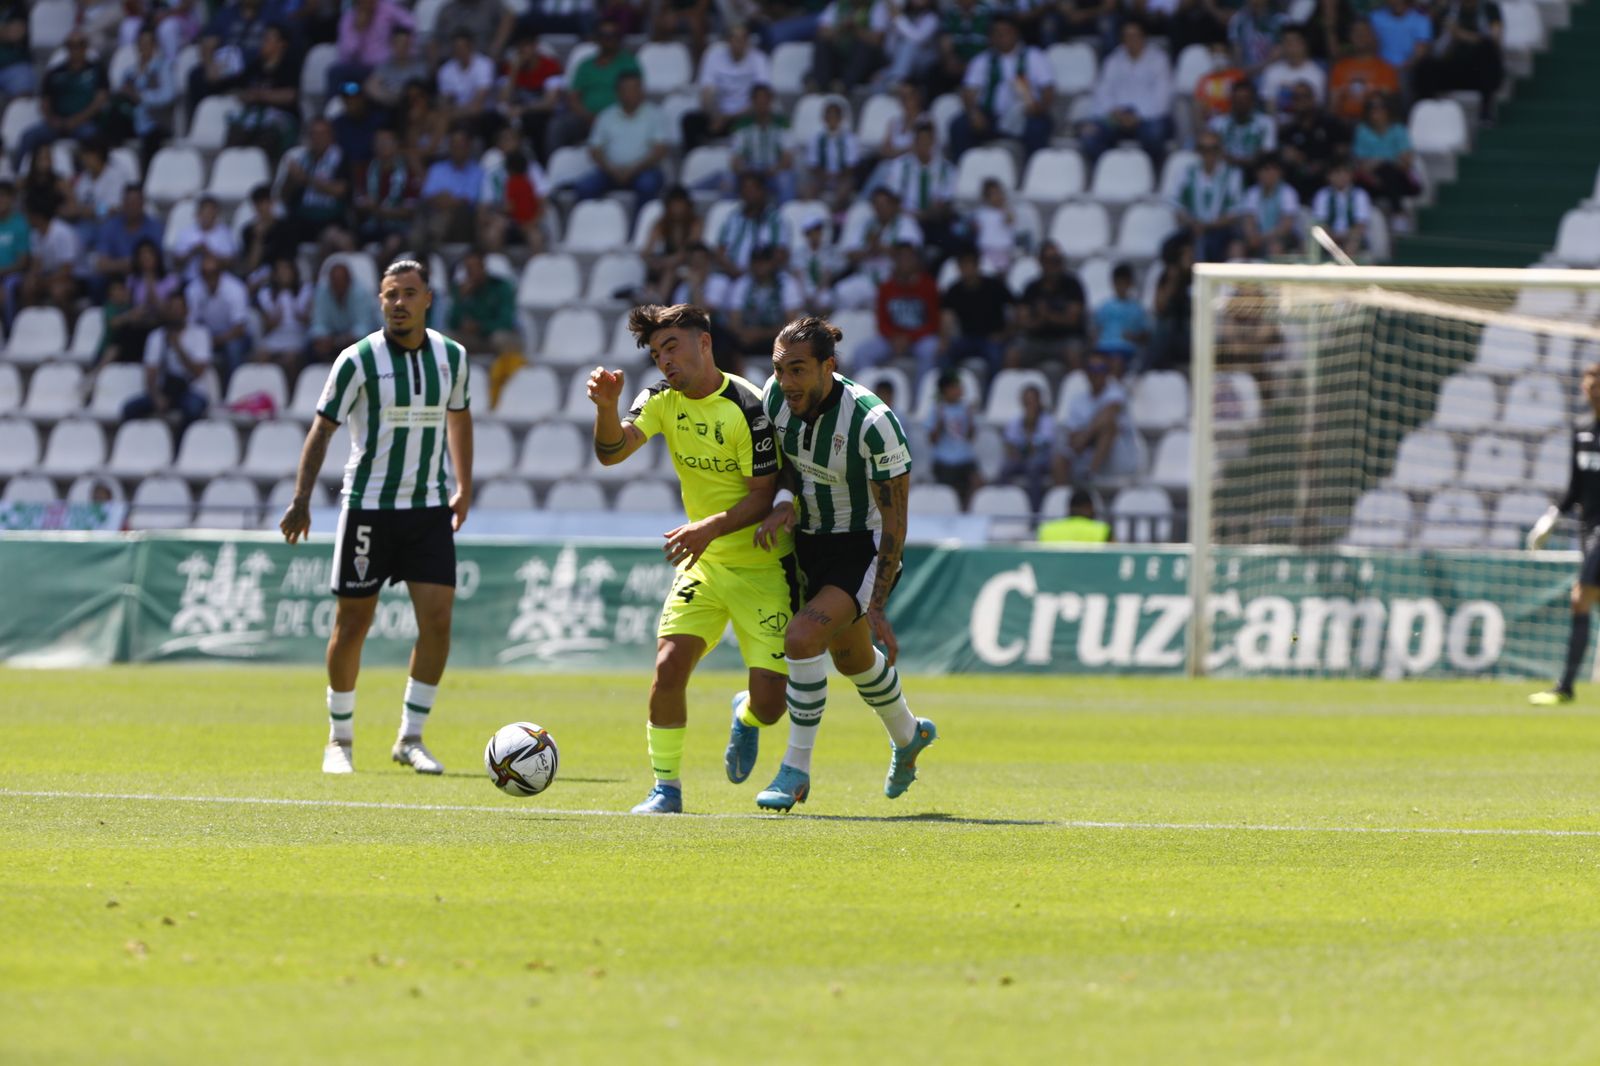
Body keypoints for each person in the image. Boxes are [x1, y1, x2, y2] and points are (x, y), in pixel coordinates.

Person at [584, 303, 796, 814]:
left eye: (672, 347)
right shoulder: (659, 399)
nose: (664, 361)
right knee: (668, 666)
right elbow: (612, 453)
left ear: (704, 342)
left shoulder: (747, 406)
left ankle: (744, 716)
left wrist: (708, 527)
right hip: (704, 562)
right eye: (657, 354)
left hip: (764, 564)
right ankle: (665, 789)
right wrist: (606, 408)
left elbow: (763, 495)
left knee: (771, 706)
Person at [279, 259, 474, 777]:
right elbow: (321, 430)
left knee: (437, 624)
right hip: (368, 509)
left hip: (429, 509)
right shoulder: (357, 360)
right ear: (380, 301)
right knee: (352, 625)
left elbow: (460, 418)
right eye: (391, 294)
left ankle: (411, 737)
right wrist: (301, 499)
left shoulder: (452, 357)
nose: (399, 303)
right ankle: (339, 740)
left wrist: (465, 485)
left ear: (428, 298)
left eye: (409, 293)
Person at [752, 316, 936, 811]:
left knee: (802, 637)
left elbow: (896, 521)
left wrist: (877, 604)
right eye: (779, 369)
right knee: (850, 659)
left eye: (797, 370)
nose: (786, 382)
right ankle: (909, 735)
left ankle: (796, 770)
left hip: (862, 545)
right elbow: (785, 462)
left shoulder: (873, 424)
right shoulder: (774, 398)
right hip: (807, 537)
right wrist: (787, 498)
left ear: (827, 367)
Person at [1528, 363, 1600, 705]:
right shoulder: (1582, 429)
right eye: (1589, 381)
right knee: (1588, 600)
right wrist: (1554, 514)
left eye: (1598, 381)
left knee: (1580, 595)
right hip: (1588, 528)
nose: (1593, 387)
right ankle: (1567, 686)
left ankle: (1566, 686)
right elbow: (1575, 487)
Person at [951, 13, 1055, 161]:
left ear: (1016, 34)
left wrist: (1039, 108)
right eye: (997, 33)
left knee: (1038, 127)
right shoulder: (982, 60)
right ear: (991, 36)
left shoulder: (1034, 56)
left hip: (1024, 115)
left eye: (1006, 32)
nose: (1001, 37)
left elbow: (1048, 90)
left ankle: (1032, 173)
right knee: (960, 125)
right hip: (990, 117)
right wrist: (974, 113)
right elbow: (968, 91)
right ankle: (961, 169)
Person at [1079, 20, 1171, 165]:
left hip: (1147, 117)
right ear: (1122, 39)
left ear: (1143, 37)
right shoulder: (1113, 60)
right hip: (1116, 115)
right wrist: (1115, 112)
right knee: (1090, 135)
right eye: (1127, 36)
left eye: (1135, 36)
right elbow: (1103, 92)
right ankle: (1110, 171)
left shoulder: (1158, 59)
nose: (1131, 40)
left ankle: (1150, 173)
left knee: (1155, 133)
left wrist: (1137, 116)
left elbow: (1162, 98)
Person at [121, 290, 212, 433]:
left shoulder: (200, 334)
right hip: (164, 390)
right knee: (130, 409)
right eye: (171, 309)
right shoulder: (156, 336)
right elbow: (151, 372)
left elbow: (198, 371)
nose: (174, 312)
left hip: (192, 390)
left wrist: (178, 347)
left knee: (193, 409)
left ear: (186, 311)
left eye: (178, 308)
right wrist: (156, 396)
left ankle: (179, 449)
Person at [575, 71, 670, 205]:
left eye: (636, 88)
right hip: (610, 171)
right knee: (585, 187)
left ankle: (639, 225)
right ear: (618, 92)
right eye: (627, 89)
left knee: (648, 185)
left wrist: (633, 170)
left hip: (644, 170)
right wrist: (612, 170)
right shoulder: (606, 116)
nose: (632, 93)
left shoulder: (655, 115)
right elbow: (595, 150)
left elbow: (660, 150)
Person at [1054, 351, 1141, 486]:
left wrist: (1085, 436)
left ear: (1107, 372)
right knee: (1058, 457)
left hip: (1117, 458)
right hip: (1086, 451)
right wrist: (1084, 437)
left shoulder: (1117, 391)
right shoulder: (1077, 399)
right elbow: (1072, 434)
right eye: (1091, 369)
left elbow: (1109, 413)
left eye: (1101, 369)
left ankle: (1090, 474)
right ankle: (1061, 498)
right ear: (1086, 373)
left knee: (1108, 426)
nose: (1096, 373)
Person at [857, 242, 941, 377]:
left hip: (920, 338)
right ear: (895, 261)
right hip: (892, 339)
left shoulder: (929, 285)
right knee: (862, 353)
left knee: (930, 349)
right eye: (901, 258)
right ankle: (862, 396)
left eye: (909, 258)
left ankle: (921, 397)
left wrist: (909, 338)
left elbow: (933, 323)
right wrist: (894, 338)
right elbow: (882, 322)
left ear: (916, 261)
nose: (905, 262)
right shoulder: (886, 287)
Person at [925, 368, 981, 508]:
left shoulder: (966, 409)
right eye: (955, 387)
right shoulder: (936, 410)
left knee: (977, 482)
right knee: (949, 492)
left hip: (965, 458)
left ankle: (968, 512)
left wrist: (970, 418)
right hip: (944, 460)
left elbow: (971, 438)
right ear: (945, 390)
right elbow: (932, 440)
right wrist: (940, 421)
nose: (959, 390)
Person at [1001, 384, 1055, 510]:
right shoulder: (1016, 420)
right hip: (1021, 460)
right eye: (1026, 400)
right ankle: (1004, 506)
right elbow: (1009, 447)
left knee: (1033, 467)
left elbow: (1036, 449)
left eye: (1032, 400)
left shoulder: (1047, 421)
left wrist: (1029, 427)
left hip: (1043, 461)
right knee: (1005, 469)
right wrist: (1015, 452)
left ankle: (1034, 511)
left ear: (1038, 401)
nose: (1029, 403)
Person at [1038, 488, 1112, 543]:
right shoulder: (1102, 530)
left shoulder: (1047, 530)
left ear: (1069, 509)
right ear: (1088, 507)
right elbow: (1115, 557)